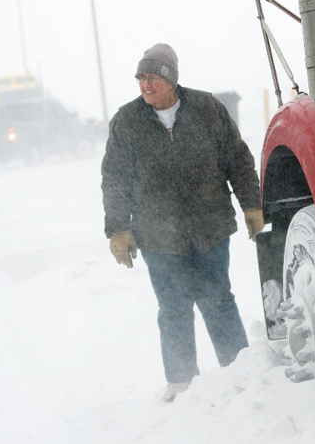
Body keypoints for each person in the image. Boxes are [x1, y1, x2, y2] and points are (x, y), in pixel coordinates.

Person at [101, 43, 265, 402]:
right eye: (141, 78)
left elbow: (237, 157)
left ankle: (240, 372)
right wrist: (118, 229)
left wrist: (251, 204)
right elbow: (115, 177)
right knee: (173, 308)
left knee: (218, 299)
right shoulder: (127, 121)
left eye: (152, 78)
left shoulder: (206, 108)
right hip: (158, 234)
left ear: (170, 78)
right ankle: (181, 382)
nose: (146, 85)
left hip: (209, 226)